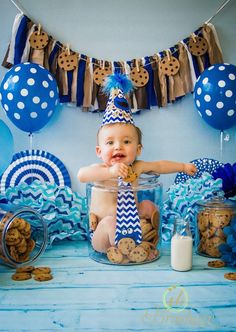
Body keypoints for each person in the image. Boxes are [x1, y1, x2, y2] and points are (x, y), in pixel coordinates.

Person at [77, 74, 197, 253]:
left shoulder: (138, 167)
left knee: (148, 205)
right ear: (99, 152)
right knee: (110, 222)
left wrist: (182, 167)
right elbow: (82, 175)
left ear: (138, 149)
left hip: (132, 226)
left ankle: (143, 244)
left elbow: (159, 165)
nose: (118, 146)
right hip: (103, 235)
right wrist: (111, 173)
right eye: (110, 143)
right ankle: (122, 251)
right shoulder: (100, 170)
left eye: (126, 142)